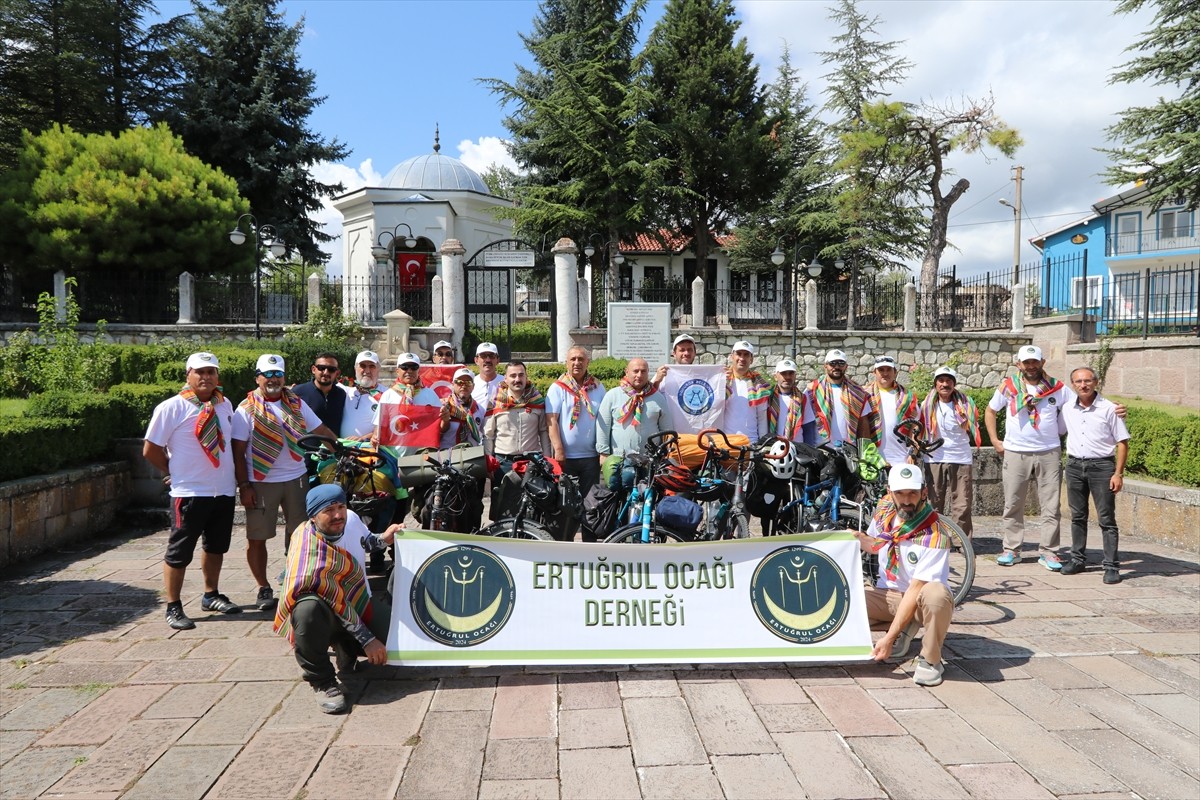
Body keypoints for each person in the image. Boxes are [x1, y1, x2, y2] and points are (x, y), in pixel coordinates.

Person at [274, 485, 399, 714]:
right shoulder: (306, 544)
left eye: (341, 506)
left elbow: (366, 541)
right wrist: (367, 639)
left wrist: (385, 539)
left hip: (358, 599)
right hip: (327, 610)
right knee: (307, 611)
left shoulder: (350, 518)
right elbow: (333, 599)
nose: (338, 515)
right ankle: (323, 682)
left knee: (399, 645)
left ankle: (346, 646)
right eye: (329, 510)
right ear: (313, 515)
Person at [143, 352, 241, 630]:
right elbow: (150, 449)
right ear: (188, 374)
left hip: (221, 490)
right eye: (200, 372)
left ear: (217, 377)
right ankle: (173, 606)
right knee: (180, 550)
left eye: (211, 372)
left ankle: (211, 594)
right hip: (189, 491)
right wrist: (172, 472)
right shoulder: (172, 407)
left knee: (216, 546)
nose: (206, 377)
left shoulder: (225, 405)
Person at [232, 354, 336, 612]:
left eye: (277, 374)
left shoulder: (296, 403)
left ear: (284, 377)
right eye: (267, 374)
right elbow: (237, 451)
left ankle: (294, 580)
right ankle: (263, 586)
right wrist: (244, 486)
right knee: (258, 537)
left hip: (296, 477)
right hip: (261, 480)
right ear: (257, 377)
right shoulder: (245, 408)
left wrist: (341, 448)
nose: (273, 379)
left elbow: (320, 430)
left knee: (300, 534)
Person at [852, 464, 954, 688]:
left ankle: (931, 660)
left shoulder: (935, 534)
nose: (906, 500)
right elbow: (875, 545)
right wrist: (854, 537)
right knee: (841, 602)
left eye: (912, 493)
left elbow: (916, 588)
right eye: (900, 493)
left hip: (918, 600)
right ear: (890, 492)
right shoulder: (885, 509)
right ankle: (904, 627)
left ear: (923, 493)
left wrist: (887, 639)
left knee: (936, 595)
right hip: (886, 593)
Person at [985, 345, 1072, 570]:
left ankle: (1049, 552)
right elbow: (991, 411)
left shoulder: (1058, 389)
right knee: (1013, 502)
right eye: (1026, 362)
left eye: (1035, 362)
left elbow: (1078, 404)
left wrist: (1112, 408)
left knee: (1051, 505)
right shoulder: (1008, 387)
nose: (1031, 366)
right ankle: (1012, 549)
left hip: (1049, 452)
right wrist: (995, 440)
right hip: (1016, 451)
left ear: (1042, 362)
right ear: (1018, 364)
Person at [1060, 366, 1130, 584]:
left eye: (1087, 381)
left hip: (1102, 467)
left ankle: (1111, 566)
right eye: (1078, 381)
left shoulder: (1109, 409)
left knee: (1107, 518)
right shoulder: (1067, 408)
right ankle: (1078, 559)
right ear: (1073, 385)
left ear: (1096, 382)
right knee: (1077, 516)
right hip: (1074, 465)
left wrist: (1118, 473)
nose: (1083, 385)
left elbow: (1122, 443)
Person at [484, 361, 551, 519]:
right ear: (505, 379)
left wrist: (547, 460)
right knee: (503, 509)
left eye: (521, 375)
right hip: (503, 462)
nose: (517, 379)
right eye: (512, 376)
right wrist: (489, 462)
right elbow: (488, 435)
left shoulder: (537, 400)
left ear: (526, 377)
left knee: (532, 509)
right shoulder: (494, 401)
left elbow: (543, 431)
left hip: (531, 462)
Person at [920, 366, 980, 539]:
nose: (944, 384)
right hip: (934, 458)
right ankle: (933, 537)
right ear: (935, 384)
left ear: (954, 384)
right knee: (933, 502)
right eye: (941, 380)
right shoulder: (926, 404)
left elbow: (972, 427)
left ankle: (961, 541)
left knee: (962, 504)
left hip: (960, 457)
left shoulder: (966, 404)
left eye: (948, 381)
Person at [547, 346, 606, 501]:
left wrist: (603, 451)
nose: (577, 363)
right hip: (566, 458)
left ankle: (588, 527)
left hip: (591, 457)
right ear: (566, 363)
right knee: (567, 503)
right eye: (573, 359)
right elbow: (551, 420)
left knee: (590, 503)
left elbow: (605, 420)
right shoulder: (557, 388)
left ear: (588, 362)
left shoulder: (598, 388)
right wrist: (559, 450)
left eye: (581, 359)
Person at [372, 352, 441, 458]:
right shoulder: (388, 395)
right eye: (404, 367)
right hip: (394, 457)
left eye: (414, 367)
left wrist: (445, 419)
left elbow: (440, 426)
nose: (409, 371)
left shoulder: (430, 394)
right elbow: (380, 426)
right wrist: (375, 436)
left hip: (423, 457)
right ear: (397, 371)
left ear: (419, 370)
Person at [596, 358, 668, 459]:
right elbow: (604, 426)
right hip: (619, 459)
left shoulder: (658, 398)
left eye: (643, 371)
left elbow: (666, 429)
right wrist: (603, 453)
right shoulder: (612, 395)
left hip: (651, 460)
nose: (639, 375)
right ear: (627, 372)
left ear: (648, 373)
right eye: (635, 371)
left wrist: (665, 453)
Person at [804, 349, 875, 449]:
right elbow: (806, 423)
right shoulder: (811, 391)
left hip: (849, 452)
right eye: (832, 363)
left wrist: (865, 451)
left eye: (841, 363)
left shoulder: (857, 392)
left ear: (846, 366)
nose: (836, 367)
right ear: (825, 365)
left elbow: (863, 423)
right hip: (821, 451)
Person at [866, 355, 920, 467]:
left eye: (889, 369)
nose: (885, 373)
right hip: (873, 459)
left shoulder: (907, 397)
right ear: (874, 373)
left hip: (902, 459)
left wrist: (913, 452)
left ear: (895, 372)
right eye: (881, 370)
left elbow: (915, 426)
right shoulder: (864, 395)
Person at [724, 340, 770, 439]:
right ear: (732, 356)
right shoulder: (722, 381)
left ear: (751, 359)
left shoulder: (758, 384)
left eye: (746, 355)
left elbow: (762, 417)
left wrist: (762, 444)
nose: (742, 358)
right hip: (725, 442)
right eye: (739, 354)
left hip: (751, 442)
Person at [291, 353, 345, 436]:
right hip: (305, 447)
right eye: (321, 368)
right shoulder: (298, 392)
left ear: (337, 373)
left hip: (333, 447)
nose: (326, 372)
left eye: (331, 369)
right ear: (313, 369)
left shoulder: (341, 394)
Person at [338, 350, 384, 440]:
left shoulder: (387, 394)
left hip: (370, 449)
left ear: (378, 369)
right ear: (355, 368)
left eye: (372, 366)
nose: (367, 371)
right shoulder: (345, 390)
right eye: (362, 366)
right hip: (343, 449)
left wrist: (364, 438)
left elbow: (389, 426)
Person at [439, 367, 485, 448]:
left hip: (472, 456)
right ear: (453, 384)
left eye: (468, 383)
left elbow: (486, 435)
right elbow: (435, 433)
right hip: (447, 455)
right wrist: (445, 421)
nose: (463, 386)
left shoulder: (479, 409)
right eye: (459, 382)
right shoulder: (443, 405)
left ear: (473, 386)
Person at [767, 358, 806, 446]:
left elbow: (808, 427)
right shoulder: (767, 397)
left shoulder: (803, 399)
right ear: (776, 376)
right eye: (783, 373)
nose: (787, 377)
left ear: (795, 376)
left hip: (797, 448)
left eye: (791, 373)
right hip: (772, 448)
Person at [471, 342, 504, 410]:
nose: (488, 360)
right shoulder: (470, 383)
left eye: (492, 356)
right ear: (476, 360)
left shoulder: (505, 383)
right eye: (483, 356)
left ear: (497, 360)